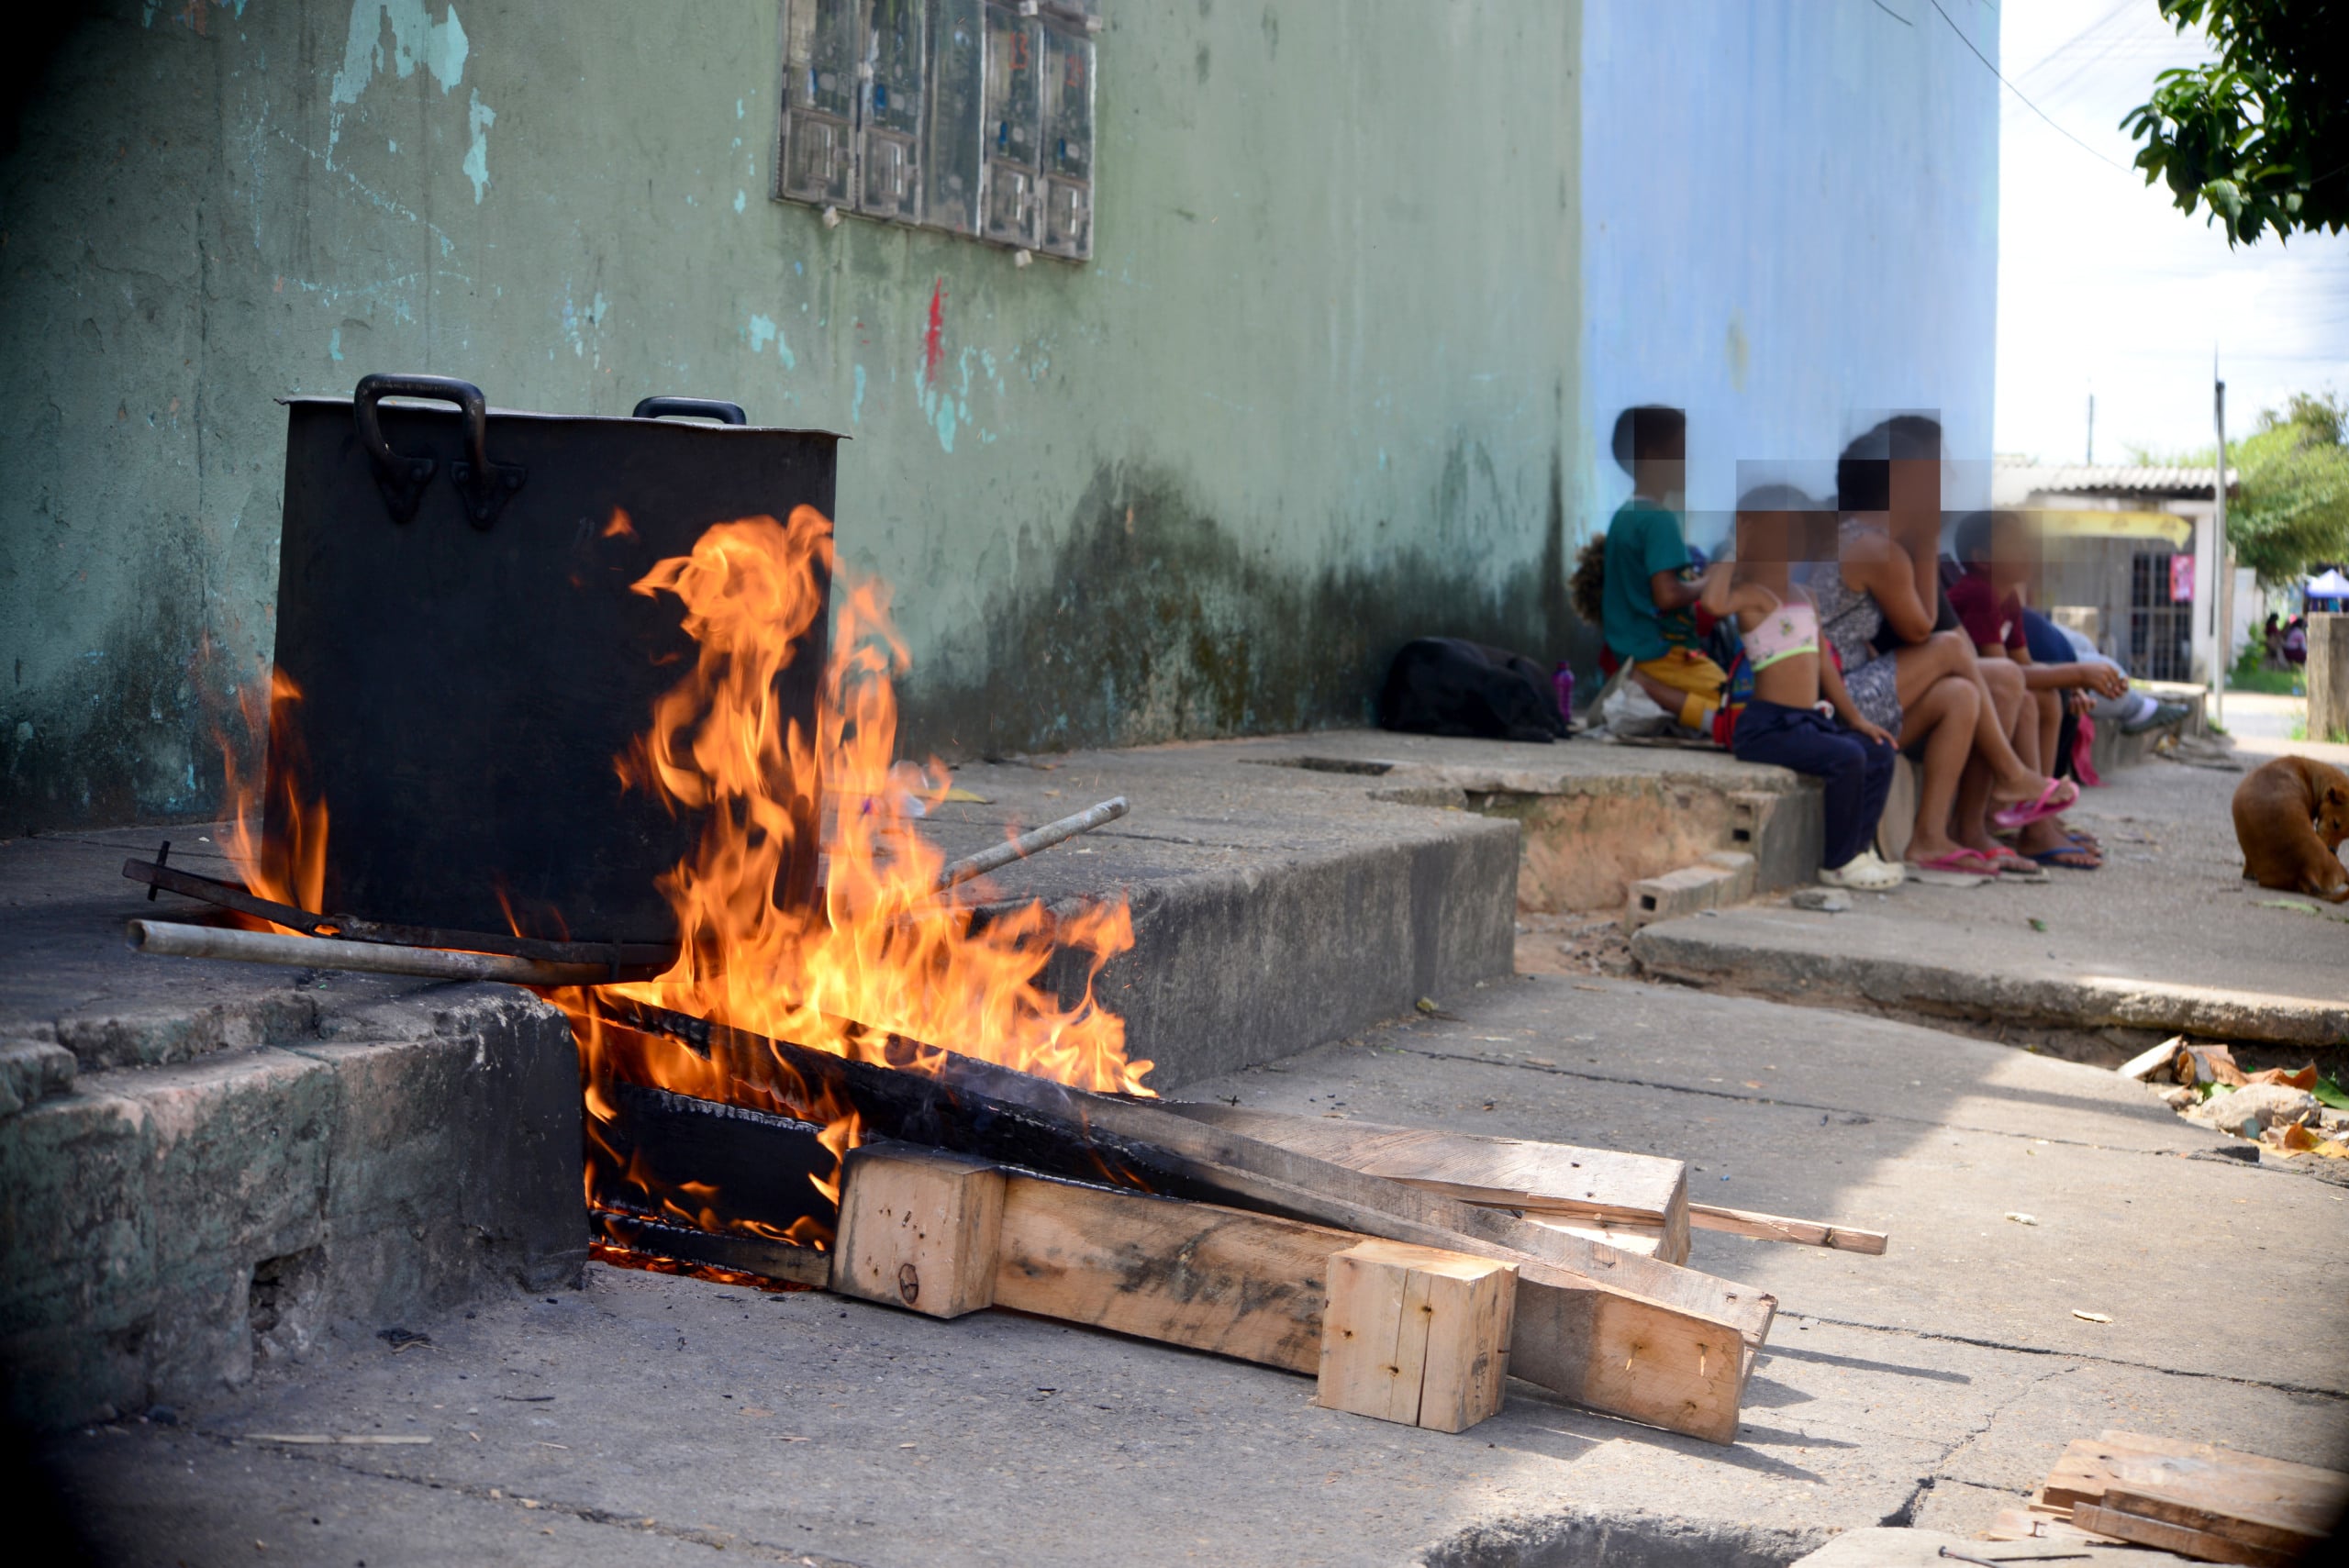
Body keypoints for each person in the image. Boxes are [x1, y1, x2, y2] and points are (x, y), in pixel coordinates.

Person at [1824, 417, 2075, 874]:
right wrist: (1926, 543)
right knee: (1952, 652)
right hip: (1834, 705)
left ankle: (1930, 838)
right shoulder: (1874, 547)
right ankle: (2010, 774)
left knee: (1960, 694)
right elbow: (1922, 631)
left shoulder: (1861, 538)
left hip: (1847, 697)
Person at [1701, 491, 1902, 891]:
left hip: (1809, 721)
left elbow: (1825, 665)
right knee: (1847, 758)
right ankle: (1838, 862)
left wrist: (1857, 720)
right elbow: (1713, 602)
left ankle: (1858, 851)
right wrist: (1734, 549)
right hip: (1769, 726)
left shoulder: (1807, 596)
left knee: (1878, 750)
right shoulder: (1754, 596)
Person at [1950, 511, 2131, 870]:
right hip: (1970, 688)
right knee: (2032, 701)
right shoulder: (1978, 594)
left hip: (1992, 684)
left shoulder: (2007, 599)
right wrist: (2078, 672)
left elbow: (2025, 665)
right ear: (1982, 558)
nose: (2028, 550)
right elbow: (2007, 673)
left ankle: (2040, 820)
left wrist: (2068, 682)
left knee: (2047, 697)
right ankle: (2031, 818)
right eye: (2014, 543)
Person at [1600, 406, 1725, 736]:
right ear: (1653, 458)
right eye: (1680, 452)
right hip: (1663, 655)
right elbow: (1667, 596)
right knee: (1738, 705)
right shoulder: (1659, 520)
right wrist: (1709, 582)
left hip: (1633, 651)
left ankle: (1651, 691)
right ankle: (1647, 688)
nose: (1688, 463)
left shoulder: (1625, 516)